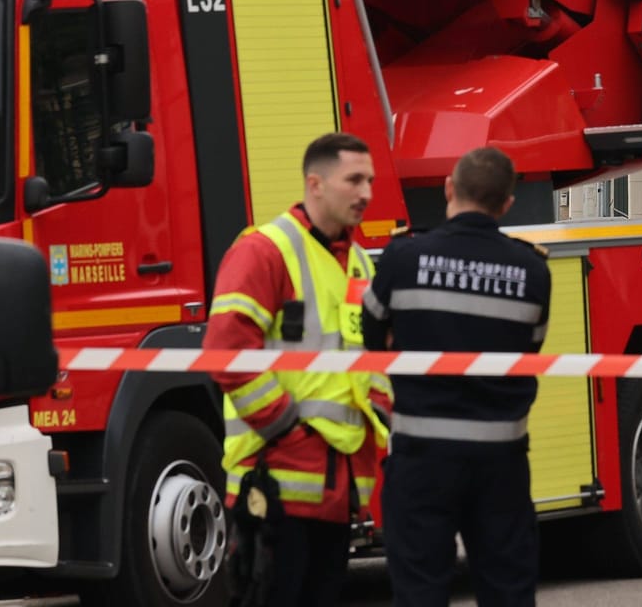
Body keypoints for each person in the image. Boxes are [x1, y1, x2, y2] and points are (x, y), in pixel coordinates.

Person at [205, 132, 393, 607]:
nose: (367, 193)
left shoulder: (358, 264)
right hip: (275, 483)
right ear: (316, 183)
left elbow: (371, 361)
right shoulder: (264, 250)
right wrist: (284, 427)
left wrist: (383, 420)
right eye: (354, 180)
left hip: (335, 489)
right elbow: (227, 351)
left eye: (369, 180)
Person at [361, 146, 551, 607]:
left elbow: (370, 335)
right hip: (500, 462)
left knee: (420, 589)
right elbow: (530, 347)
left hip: (422, 458)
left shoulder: (403, 257)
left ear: (449, 187)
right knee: (507, 589)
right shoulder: (532, 270)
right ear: (507, 204)